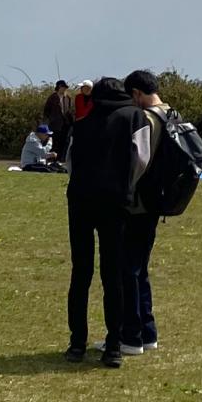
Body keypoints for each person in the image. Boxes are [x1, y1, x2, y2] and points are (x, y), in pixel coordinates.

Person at [66, 76, 141, 367]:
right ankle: (113, 346)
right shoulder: (133, 117)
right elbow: (140, 158)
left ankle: (76, 344)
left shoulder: (81, 125)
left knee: (81, 272)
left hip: (81, 200)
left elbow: (71, 164)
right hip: (115, 202)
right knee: (113, 275)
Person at [120, 69, 171, 351]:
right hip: (158, 201)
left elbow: (139, 162)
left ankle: (131, 336)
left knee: (128, 270)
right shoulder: (172, 114)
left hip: (139, 203)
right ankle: (148, 333)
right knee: (140, 269)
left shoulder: (147, 119)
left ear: (137, 94)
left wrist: (123, 192)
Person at [43, 80, 74, 164]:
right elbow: (46, 110)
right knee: (54, 142)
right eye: (62, 87)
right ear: (58, 87)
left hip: (65, 124)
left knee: (63, 142)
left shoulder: (68, 98)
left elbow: (69, 111)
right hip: (55, 124)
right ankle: (52, 159)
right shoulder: (52, 97)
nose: (64, 89)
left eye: (65, 88)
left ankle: (60, 159)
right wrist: (51, 119)